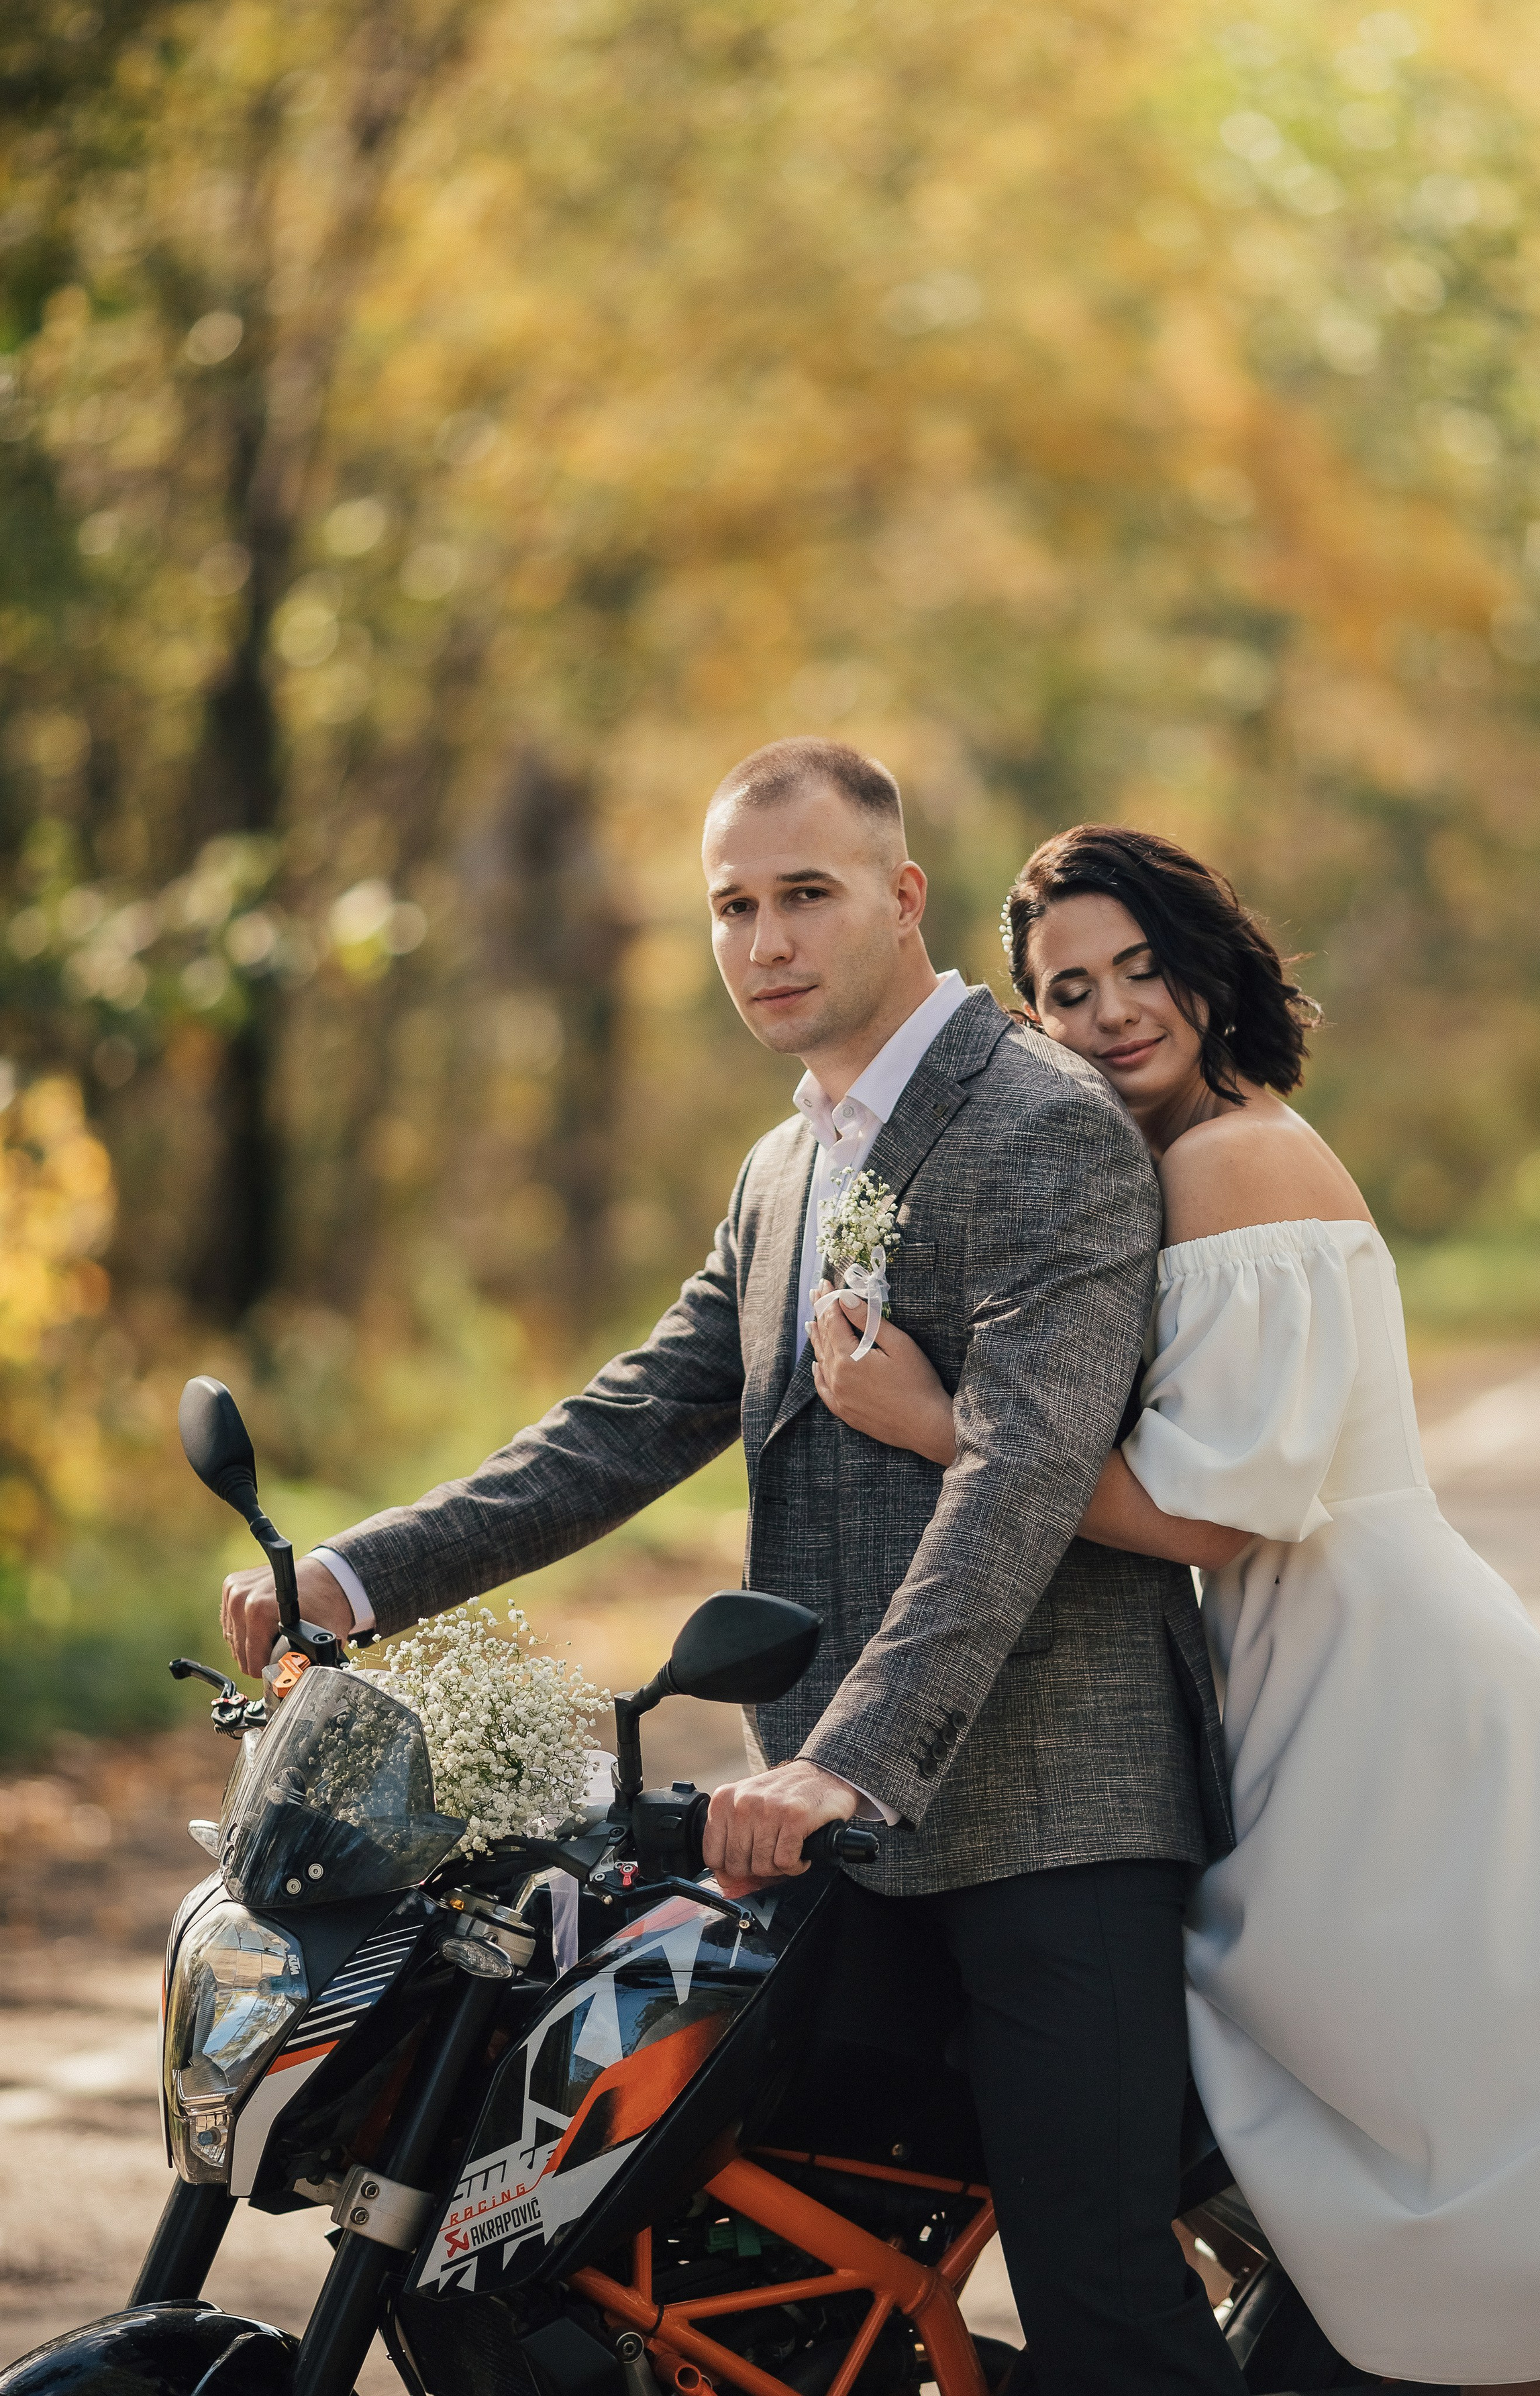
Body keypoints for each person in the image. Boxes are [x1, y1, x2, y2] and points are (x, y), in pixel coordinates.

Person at [220, 741, 1250, 2396]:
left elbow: (1019, 1478)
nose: (764, 942)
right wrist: (356, 1577)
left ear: (901, 899)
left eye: (804, 896)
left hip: (1048, 1820)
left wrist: (851, 1760)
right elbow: (637, 1417)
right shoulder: (788, 1164)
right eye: (731, 907)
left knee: (1100, 2296)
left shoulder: (1039, 1124)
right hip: (845, 1840)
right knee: (755, 2274)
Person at [809, 819, 1540, 2396]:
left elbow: (1211, 1515)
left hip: (1382, 1690)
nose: (1110, 1013)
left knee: (1453, 2134)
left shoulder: (1231, 1161)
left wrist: (939, 1423)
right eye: (1066, 990)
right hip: (1310, 1670)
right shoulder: (1174, 1160)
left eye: (1138, 968)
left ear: (1206, 968)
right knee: (1459, 2147)